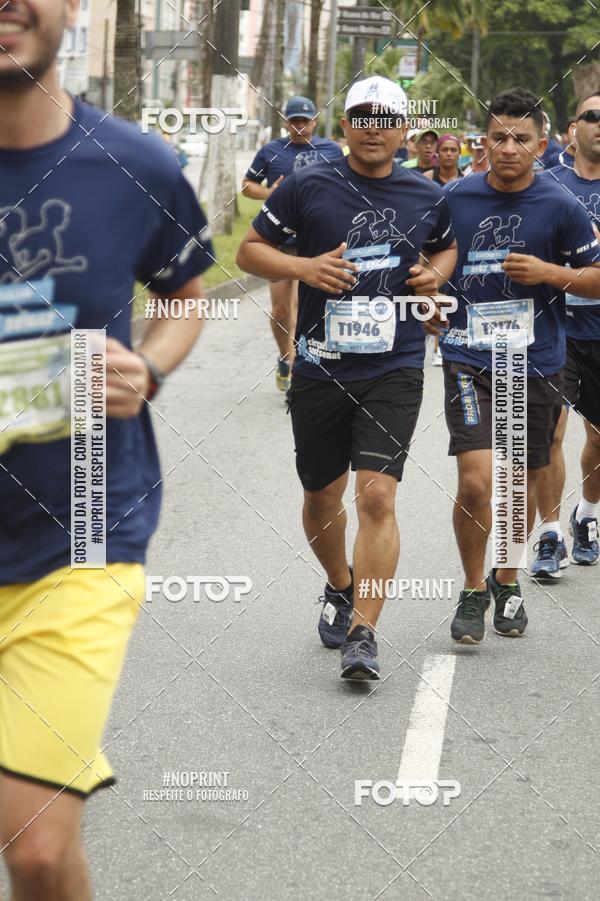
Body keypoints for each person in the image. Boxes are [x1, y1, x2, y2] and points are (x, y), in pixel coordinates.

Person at [0, 1, 214, 897]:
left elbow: (186, 291)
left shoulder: (137, 162)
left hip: (82, 528)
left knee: (37, 847)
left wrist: (149, 369)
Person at [237, 75, 457, 679]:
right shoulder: (309, 183)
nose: (374, 127)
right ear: (346, 125)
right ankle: (339, 582)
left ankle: (364, 631)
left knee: (378, 495)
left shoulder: (425, 194)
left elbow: (446, 247)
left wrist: (433, 276)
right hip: (320, 366)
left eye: (386, 118)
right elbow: (249, 252)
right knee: (319, 496)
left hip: (395, 365)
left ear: (404, 129)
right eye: (362, 115)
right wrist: (303, 266)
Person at [439, 87, 600, 644]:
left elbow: (597, 276)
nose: (509, 148)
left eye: (521, 139)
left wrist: (551, 274)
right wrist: (429, 299)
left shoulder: (561, 206)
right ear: (484, 141)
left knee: (517, 483)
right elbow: (425, 262)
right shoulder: (455, 197)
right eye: (499, 137)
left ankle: (506, 577)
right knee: (477, 480)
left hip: (535, 362)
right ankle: (471, 588)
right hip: (467, 358)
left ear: (541, 143)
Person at [533, 95, 600, 577]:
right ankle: (549, 535)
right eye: (592, 116)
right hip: (556, 326)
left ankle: (587, 516)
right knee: (550, 431)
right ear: (573, 128)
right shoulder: (548, 185)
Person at [242, 97, 343, 393]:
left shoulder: (331, 151)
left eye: (305, 120)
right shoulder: (271, 151)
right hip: (278, 242)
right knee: (281, 311)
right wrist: (269, 193)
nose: (300, 126)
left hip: (314, 242)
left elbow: (345, 184)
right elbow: (247, 185)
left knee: (299, 307)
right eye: (294, 121)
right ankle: (285, 357)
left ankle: (300, 368)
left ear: (315, 121)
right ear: (286, 123)